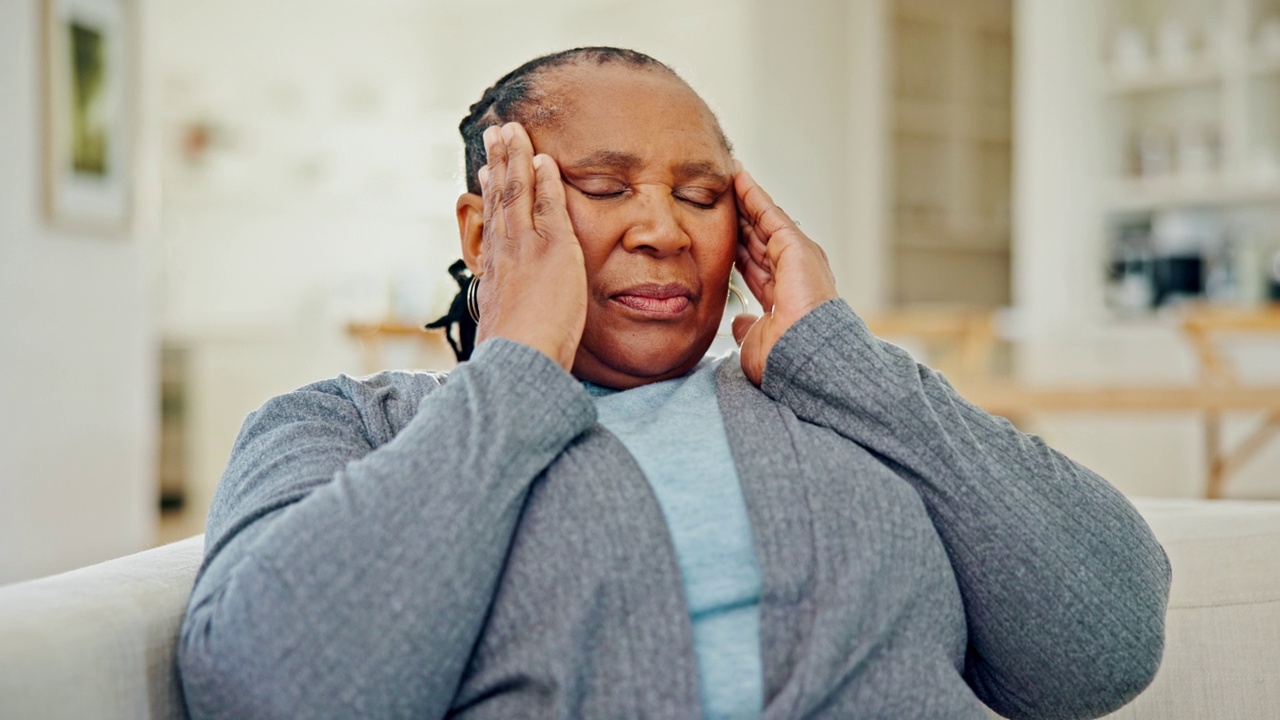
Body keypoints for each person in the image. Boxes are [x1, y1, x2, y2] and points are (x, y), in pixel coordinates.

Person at [177, 47, 1170, 720]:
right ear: (485, 229)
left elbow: (1105, 642)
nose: (663, 229)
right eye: (604, 188)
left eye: (701, 195)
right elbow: (272, 688)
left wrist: (839, 358)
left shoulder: (834, 397)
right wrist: (518, 360)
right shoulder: (355, 429)